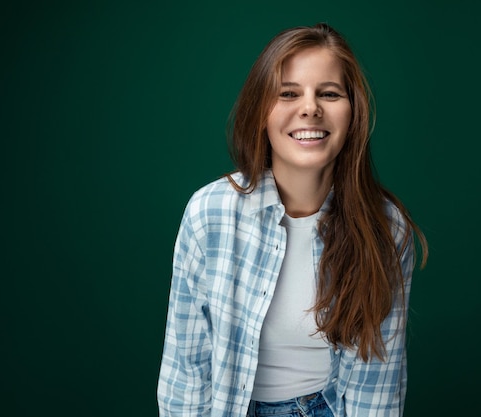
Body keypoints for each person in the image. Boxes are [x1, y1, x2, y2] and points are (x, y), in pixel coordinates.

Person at [157, 22, 428, 417]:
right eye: (288, 93)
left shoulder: (386, 228)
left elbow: (378, 382)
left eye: (329, 93)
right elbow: (186, 368)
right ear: (261, 112)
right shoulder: (209, 214)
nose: (310, 108)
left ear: (353, 113)